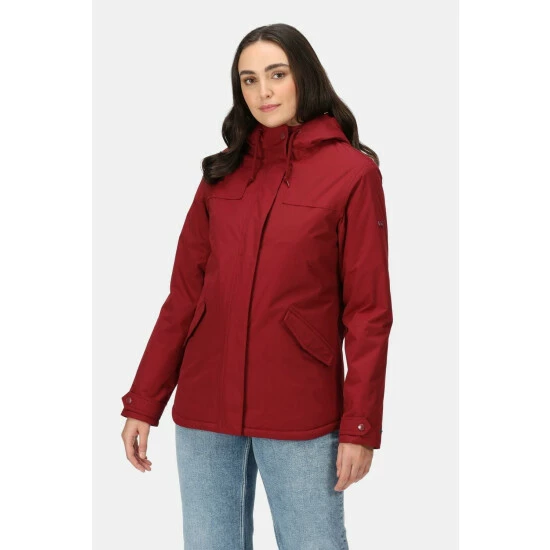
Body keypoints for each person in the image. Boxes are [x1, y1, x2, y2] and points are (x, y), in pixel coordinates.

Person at [120, 23, 393, 550]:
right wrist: (143, 400)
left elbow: (368, 312)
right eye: (249, 80)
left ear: (304, 77)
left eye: (276, 74)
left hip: (299, 408)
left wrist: (360, 426)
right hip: (205, 406)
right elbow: (184, 297)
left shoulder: (352, 174)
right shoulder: (222, 175)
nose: (263, 91)